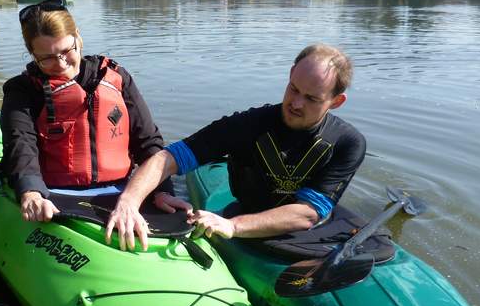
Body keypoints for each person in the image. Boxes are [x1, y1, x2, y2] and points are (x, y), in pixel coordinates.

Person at [109, 44, 366, 251]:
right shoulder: (248, 124)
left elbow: (307, 214)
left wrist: (233, 227)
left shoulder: (348, 143)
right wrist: (129, 202)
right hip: (244, 217)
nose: (296, 103)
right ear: (290, 75)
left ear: (336, 102)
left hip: (307, 234)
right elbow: (168, 158)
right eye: (294, 89)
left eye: (311, 98)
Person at [1, 0, 189, 250]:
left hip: (124, 193)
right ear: (32, 54)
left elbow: (148, 141)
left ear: (77, 37)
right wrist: (31, 191)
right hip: (55, 196)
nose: (61, 64)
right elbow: (21, 144)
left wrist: (161, 190)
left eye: (67, 51)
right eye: (46, 58)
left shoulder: (116, 77)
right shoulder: (22, 91)